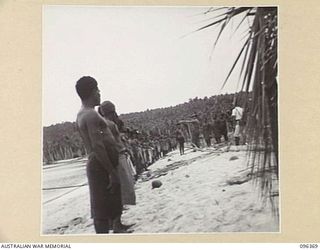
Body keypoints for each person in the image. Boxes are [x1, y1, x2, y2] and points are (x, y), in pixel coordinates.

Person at [75, 76, 123, 234]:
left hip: (100, 164)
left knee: (107, 208)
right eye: (97, 90)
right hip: (100, 166)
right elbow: (98, 146)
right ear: (92, 92)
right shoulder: (90, 115)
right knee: (101, 214)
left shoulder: (85, 113)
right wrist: (112, 173)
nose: (99, 93)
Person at [99, 100, 136, 232]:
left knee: (115, 192)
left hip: (113, 158)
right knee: (121, 191)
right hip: (117, 157)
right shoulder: (109, 124)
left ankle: (114, 223)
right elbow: (112, 143)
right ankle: (116, 224)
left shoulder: (102, 124)